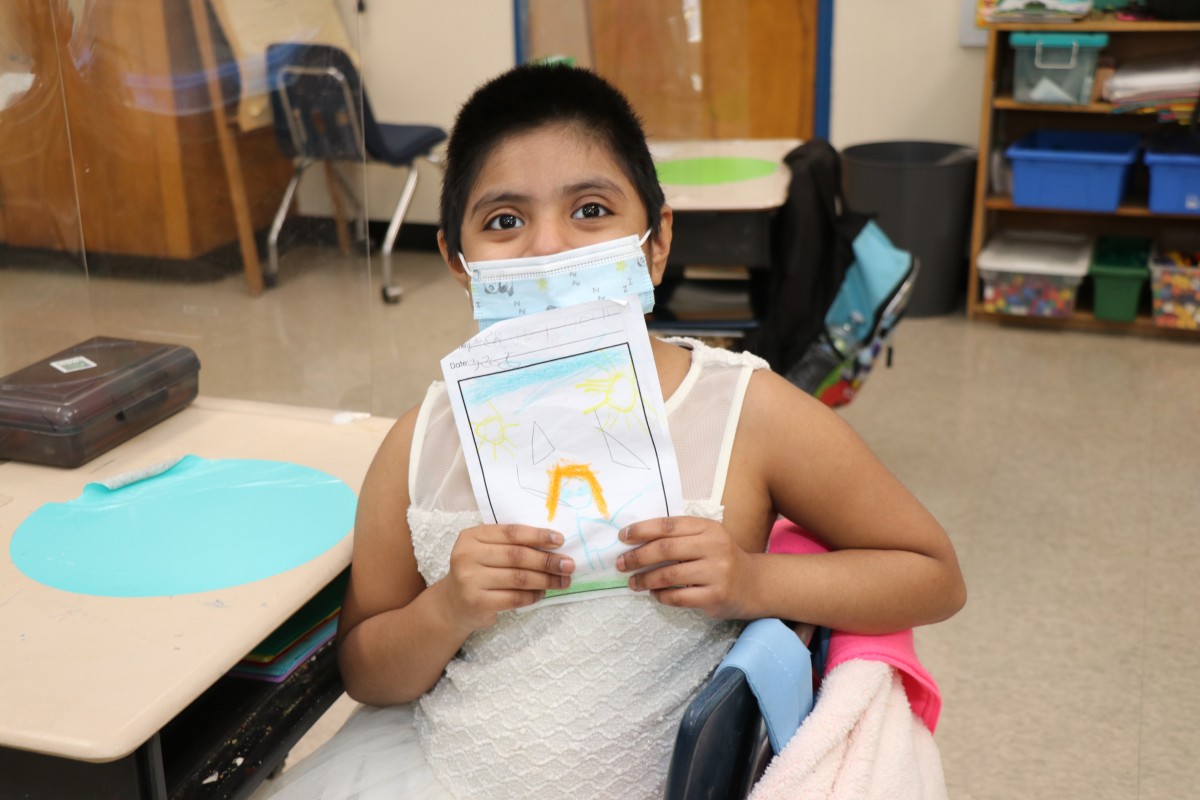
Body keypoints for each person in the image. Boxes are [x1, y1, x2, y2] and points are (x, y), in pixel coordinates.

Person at [263, 63, 965, 800]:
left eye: (591, 210)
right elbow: (368, 672)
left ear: (656, 242)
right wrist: (446, 609)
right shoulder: (419, 443)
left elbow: (933, 576)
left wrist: (755, 581)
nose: (549, 248)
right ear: (459, 265)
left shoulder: (745, 410)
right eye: (505, 221)